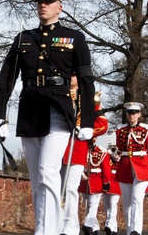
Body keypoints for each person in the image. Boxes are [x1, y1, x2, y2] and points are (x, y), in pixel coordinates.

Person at [0, 0, 97, 235]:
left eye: (48, 2)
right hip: (29, 110)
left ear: (59, 7)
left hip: (58, 110)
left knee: (48, 170)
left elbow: (85, 81)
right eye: (40, 2)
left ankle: (46, 232)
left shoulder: (74, 38)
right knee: (37, 178)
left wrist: (89, 122)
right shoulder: (23, 39)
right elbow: (6, 79)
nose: (43, 6)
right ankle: (45, 227)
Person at [60, 89, 108, 235]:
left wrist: (86, 130)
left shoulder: (87, 97)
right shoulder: (58, 91)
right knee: (57, 189)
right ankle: (59, 223)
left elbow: (103, 124)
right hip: (58, 147)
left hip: (77, 148)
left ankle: (70, 226)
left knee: (70, 188)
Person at [115, 102, 148, 235]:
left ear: (139, 114)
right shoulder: (121, 129)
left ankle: (136, 230)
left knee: (136, 198)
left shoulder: (146, 129)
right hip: (125, 166)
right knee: (127, 202)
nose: (131, 115)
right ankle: (130, 231)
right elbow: (119, 148)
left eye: (134, 113)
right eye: (129, 113)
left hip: (142, 166)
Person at [79, 138, 112, 235]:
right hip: (85, 181)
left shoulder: (101, 152)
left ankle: (88, 225)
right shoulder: (83, 150)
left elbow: (106, 167)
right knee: (87, 206)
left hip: (96, 182)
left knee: (93, 206)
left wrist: (106, 181)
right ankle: (95, 228)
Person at [103, 146, 121, 235]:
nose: (114, 155)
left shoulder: (120, 159)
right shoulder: (108, 159)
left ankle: (109, 224)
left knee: (113, 205)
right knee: (107, 207)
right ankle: (113, 229)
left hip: (116, 184)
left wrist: (118, 157)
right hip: (108, 184)